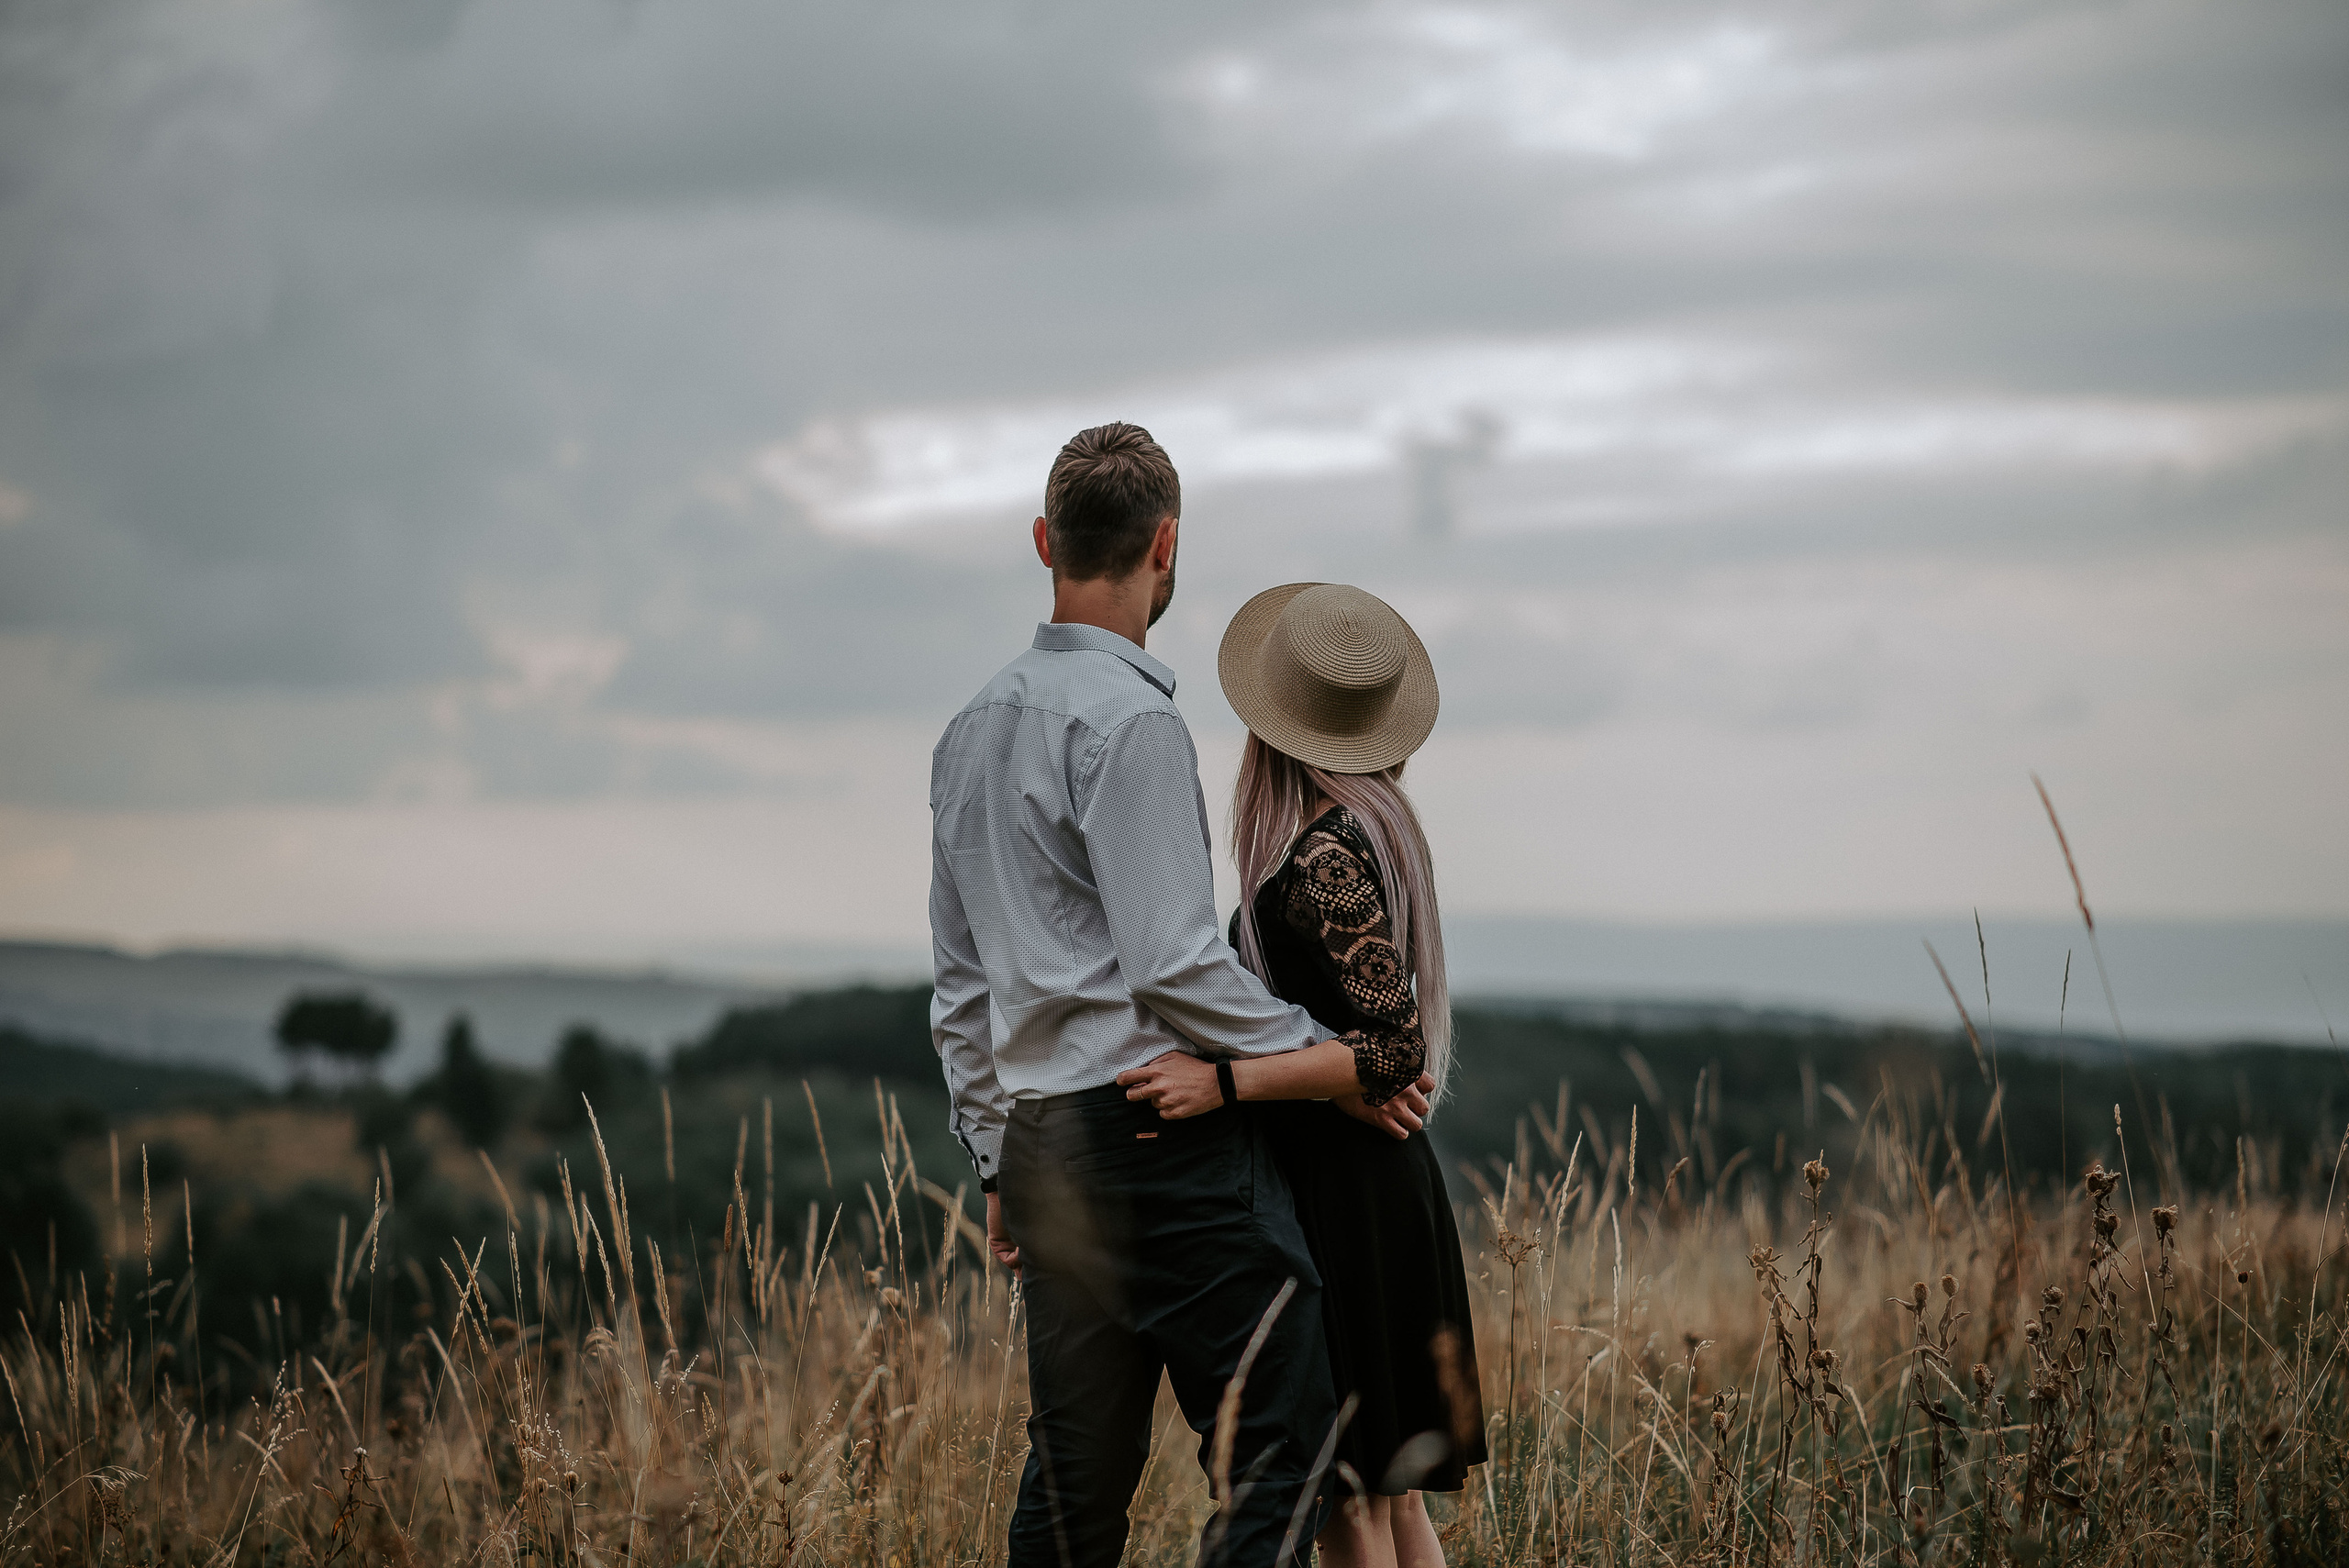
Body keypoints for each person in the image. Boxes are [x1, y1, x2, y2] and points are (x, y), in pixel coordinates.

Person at [928, 423, 1435, 1568]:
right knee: (1284, 1447)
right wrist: (1332, 1063)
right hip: (1160, 1138)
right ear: (1166, 545)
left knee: (1073, 1486)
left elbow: (961, 987)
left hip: (1047, 1140)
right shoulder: (1133, 720)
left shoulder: (967, 731)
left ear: (1045, 539)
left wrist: (997, 1154)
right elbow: (1171, 964)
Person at [1118, 582, 1486, 1568]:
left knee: (1349, 1499)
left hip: (1346, 1192)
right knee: (1391, 1502)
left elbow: (1392, 1048)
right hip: (1366, 1184)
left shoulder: (1327, 851)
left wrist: (1224, 1084)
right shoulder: (1366, 830)